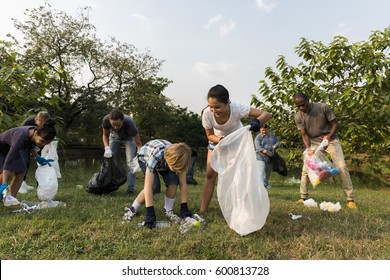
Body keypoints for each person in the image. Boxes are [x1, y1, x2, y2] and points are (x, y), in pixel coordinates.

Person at [200, 84, 272, 213]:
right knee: (210, 174)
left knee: (238, 175)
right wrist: (221, 141)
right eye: (211, 106)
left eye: (217, 107)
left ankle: (241, 207)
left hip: (236, 142)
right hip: (218, 141)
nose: (214, 110)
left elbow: (266, 114)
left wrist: (257, 121)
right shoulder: (207, 114)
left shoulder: (237, 108)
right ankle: (203, 210)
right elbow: (210, 135)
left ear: (227, 102)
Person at [293, 92, 357, 209]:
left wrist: (328, 136)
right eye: (298, 106)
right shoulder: (298, 116)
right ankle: (303, 197)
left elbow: (335, 124)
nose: (301, 108)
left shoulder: (322, 107)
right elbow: (304, 134)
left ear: (308, 100)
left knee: (342, 167)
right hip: (313, 142)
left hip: (331, 140)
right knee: (306, 169)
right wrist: (309, 149)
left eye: (303, 104)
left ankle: (350, 199)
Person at [122, 140, 193, 228]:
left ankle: (168, 211)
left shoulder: (182, 159)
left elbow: (183, 184)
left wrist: (184, 208)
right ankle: (132, 209)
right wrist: (150, 213)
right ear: (170, 161)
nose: (176, 171)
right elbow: (148, 185)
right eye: (175, 168)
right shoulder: (156, 155)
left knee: (173, 181)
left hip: (167, 160)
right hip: (145, 157)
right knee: (154, 186)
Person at [0, 119, 57, 206]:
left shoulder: (36, 132)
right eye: (42, 141)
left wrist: (37, 157)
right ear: (35, 133)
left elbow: (30, 144)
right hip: (1, 147)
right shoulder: (21, 137)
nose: (43, 144)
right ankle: (2, 190)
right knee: (3, 172)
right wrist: (4, 184)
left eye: (47, 143)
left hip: (10, 148)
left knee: (21, 171)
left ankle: (10, 200)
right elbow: (8, 162)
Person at [102, 108, 142, 194]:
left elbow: (138, 144)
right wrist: (107, 148)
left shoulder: (129, 123)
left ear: (123, 120)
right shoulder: (105, 120)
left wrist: (139, 154)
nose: (116, 127)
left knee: (131, 163)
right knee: (109, 161)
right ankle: (108, 186)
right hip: (113, 138)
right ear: (109, 120)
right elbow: (105, 135)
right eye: (113, 125)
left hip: (129, 138)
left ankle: (130, 189)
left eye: (118, 125)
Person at [254, 124, 280, 189]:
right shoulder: (258, 137)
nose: (264, 131)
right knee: (261, 171)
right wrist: (264, 151)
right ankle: (261, 185)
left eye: (265, 130)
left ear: (267, 129)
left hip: (270, 157)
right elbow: (258, 147)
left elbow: (278, 142)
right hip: (260, 157)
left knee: (268, 172)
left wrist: (275, 146)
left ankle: (265, 183)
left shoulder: (272, 135)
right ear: (260, 130)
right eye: (263, 130)